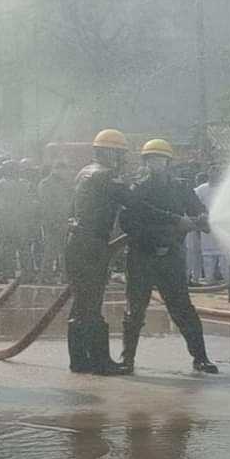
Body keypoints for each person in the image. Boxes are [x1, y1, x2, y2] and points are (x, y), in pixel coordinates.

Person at [66, 130, 191, 375]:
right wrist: (176, 218)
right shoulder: (107, 176)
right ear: (110, 152)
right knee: (91, 304)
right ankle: (101, 363)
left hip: (75, 242)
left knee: (81, 303)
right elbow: (136, 203)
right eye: (121, 154)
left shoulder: (84, 172)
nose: (122, 159)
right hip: (93, 244)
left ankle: (79, 360)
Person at [119, 139, 217, 374]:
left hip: (171, 257)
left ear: (168, 162)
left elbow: (195, 208)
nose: (156, 163)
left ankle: (200, 358)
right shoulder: (136, 188)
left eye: (160, 159)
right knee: (135, 311)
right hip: (142, 256)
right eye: (151, 159)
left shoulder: (180, 188)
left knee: (183, 309)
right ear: (144, 162)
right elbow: (131, 218)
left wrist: (203, 217)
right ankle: (127, 359)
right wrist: (173, 222)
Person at [0, 159, 35, 283]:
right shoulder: (24, 185)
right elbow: (31, 204)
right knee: (24, 249)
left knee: (3, 249)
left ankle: (3, 275)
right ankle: (27, 274)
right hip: (21, 222)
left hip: (3, 223)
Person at [38, 161, 74, 284]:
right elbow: (45, 205)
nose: (65, 173)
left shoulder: (64, 183)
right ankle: (46, 276)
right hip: (52, 221)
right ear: (55, 169)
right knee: (51, 250)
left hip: (63, 220)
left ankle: (65, 276)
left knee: (64, 251)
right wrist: (50, 220)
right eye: (62, 170)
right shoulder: (46, 183)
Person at [194, 165, 228, 285]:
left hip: (222, 227)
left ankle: (227, 281)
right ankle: (209, 279)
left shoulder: (226, 188)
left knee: (224, 256)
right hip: (206, 227)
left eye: (217, 173)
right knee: (208, 256)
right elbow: (195, 206)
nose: (214, 175)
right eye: (212, 172)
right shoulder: (200, 190)